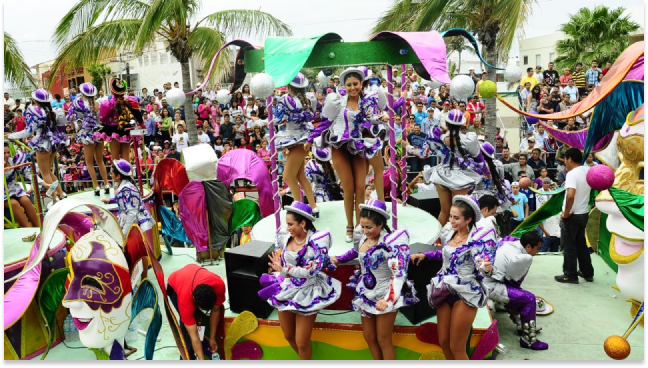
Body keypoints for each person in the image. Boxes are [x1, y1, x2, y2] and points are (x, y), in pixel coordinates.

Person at [308, 67, 388, 241]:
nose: (353, 88)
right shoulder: (337, 101)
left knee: (361, 186)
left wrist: (381, 117)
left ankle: (361, 225)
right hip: (339, 147)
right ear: (344, 85)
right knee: (349, 188)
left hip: (358, 145)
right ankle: (349, 226)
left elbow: (372, 117)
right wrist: (310, 139)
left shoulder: (367, 101)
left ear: (361, 84)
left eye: (356, 84)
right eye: (349, 84)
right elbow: (325, 123)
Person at [411, 196, 494, 360]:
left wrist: (487, 268)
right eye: (450, 216)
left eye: (456, 218)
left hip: (465, 293)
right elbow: (445, 253)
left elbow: (485, 268)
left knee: (457, 347)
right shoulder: (450, 234)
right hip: (444, 289)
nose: (451, 221)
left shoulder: (477, 240)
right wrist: (425, 255)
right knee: (444, 342)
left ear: (468, 219)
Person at [331, 199, 416, 360]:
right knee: (369, 337)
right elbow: (355, 252)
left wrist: (389, 298)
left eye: (369, 227)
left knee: (384, 339)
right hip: (366, 292)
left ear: (381, 224)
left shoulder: (390, 245)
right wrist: (338, 259)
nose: (364, 231)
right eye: (362, 227)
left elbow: (399, 274)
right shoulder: (363, 238)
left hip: (386, 292)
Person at [259, 202, 341, 360]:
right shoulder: (285, 236)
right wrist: (277, 264)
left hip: (308, 291)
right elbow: (280, 255)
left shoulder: (315, 243)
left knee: (302, 342)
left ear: (302, 223)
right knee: (289, 335)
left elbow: (310, 272)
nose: (287, 227)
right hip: (286, 289)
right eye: (287, 223)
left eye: (291, 224)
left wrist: (283, 270)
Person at [483, 232, 549, 350]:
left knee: (514, 294)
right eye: (537, 248)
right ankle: (528, 339)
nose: (538, 251)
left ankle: (519, 322)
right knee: (528, 299)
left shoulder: (510, 242)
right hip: (489, 284)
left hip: (486, 278)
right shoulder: (523, 257)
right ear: (528, 246)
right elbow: (513, 285)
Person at [423, 109, 488, 226]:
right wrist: (486, 171)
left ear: (447, 124)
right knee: (458, 214)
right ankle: (456, 241)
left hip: (441, 176)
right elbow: (478, 158)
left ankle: (438, 241)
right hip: (459, 179)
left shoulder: (440, 138)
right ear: (462, 125)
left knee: (444, 212)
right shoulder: (468, 140)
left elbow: (426, 152)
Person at [271, 73, 319, 215]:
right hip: (303, 137)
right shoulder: (308, 98)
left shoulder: (286, 99)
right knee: (300, 176)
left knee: (287, 176)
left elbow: (278, 119)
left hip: (297, 139)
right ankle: (313, 206)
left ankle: (298, 206)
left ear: (290, 86)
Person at [8, 88, 68, 200]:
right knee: (49, 172)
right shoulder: (52, 111)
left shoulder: (35, 112)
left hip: (42, 144)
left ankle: (55, 198)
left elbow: (28, 131)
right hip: (53, 143)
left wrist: (11, 135)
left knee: (45, 173)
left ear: (35, 100)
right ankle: (61, 194)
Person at [167, 264, 226, 360]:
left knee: (200, 320)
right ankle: (187, 356)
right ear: (195, 303)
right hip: (174, 286)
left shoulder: (219, 286)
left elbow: (216, 310)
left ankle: (205, 343)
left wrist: (212, 338)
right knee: (187, 327)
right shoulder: (185, 302)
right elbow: (193, 334)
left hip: (192, 274)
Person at [555, 148, 593, 284]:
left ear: (570, 159)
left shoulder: (572, 174)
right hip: (583, 213)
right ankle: (587, 272)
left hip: (572, 215)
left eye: (565, 159)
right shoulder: (588, 170)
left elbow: (570, 195)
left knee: (569, 246)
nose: (565, 162)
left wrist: (565, 213)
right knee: (581, 244)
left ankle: (570, 275)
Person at [66, 82, 112, 196]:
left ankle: (96, 187)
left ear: (82, 92)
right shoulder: (97, 104)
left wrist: (74, 123)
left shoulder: (78, 102)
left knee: (89, 162)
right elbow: (100, 120)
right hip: (98, 133)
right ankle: (106, 184)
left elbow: (69, 117)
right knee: (100, 160)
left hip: (87, 134)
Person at [101, 160, 155, 236]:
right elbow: (124, 199)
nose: (110, 176)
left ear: (118, 176)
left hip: (134, 225)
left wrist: (124, 233)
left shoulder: (126, 189)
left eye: (112, 173)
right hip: (130, 223)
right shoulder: (125, 186)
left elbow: (132, 213)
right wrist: (110, 200)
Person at [3, 144, 39, 228]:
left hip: (13, 188)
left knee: (25, 200)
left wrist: (34, 182)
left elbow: (27, 172)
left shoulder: (13, 161)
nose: (7, 155)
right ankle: (28, 230)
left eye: (8, 152)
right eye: (4, 153)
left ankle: (39, 227)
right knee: (14, 203)